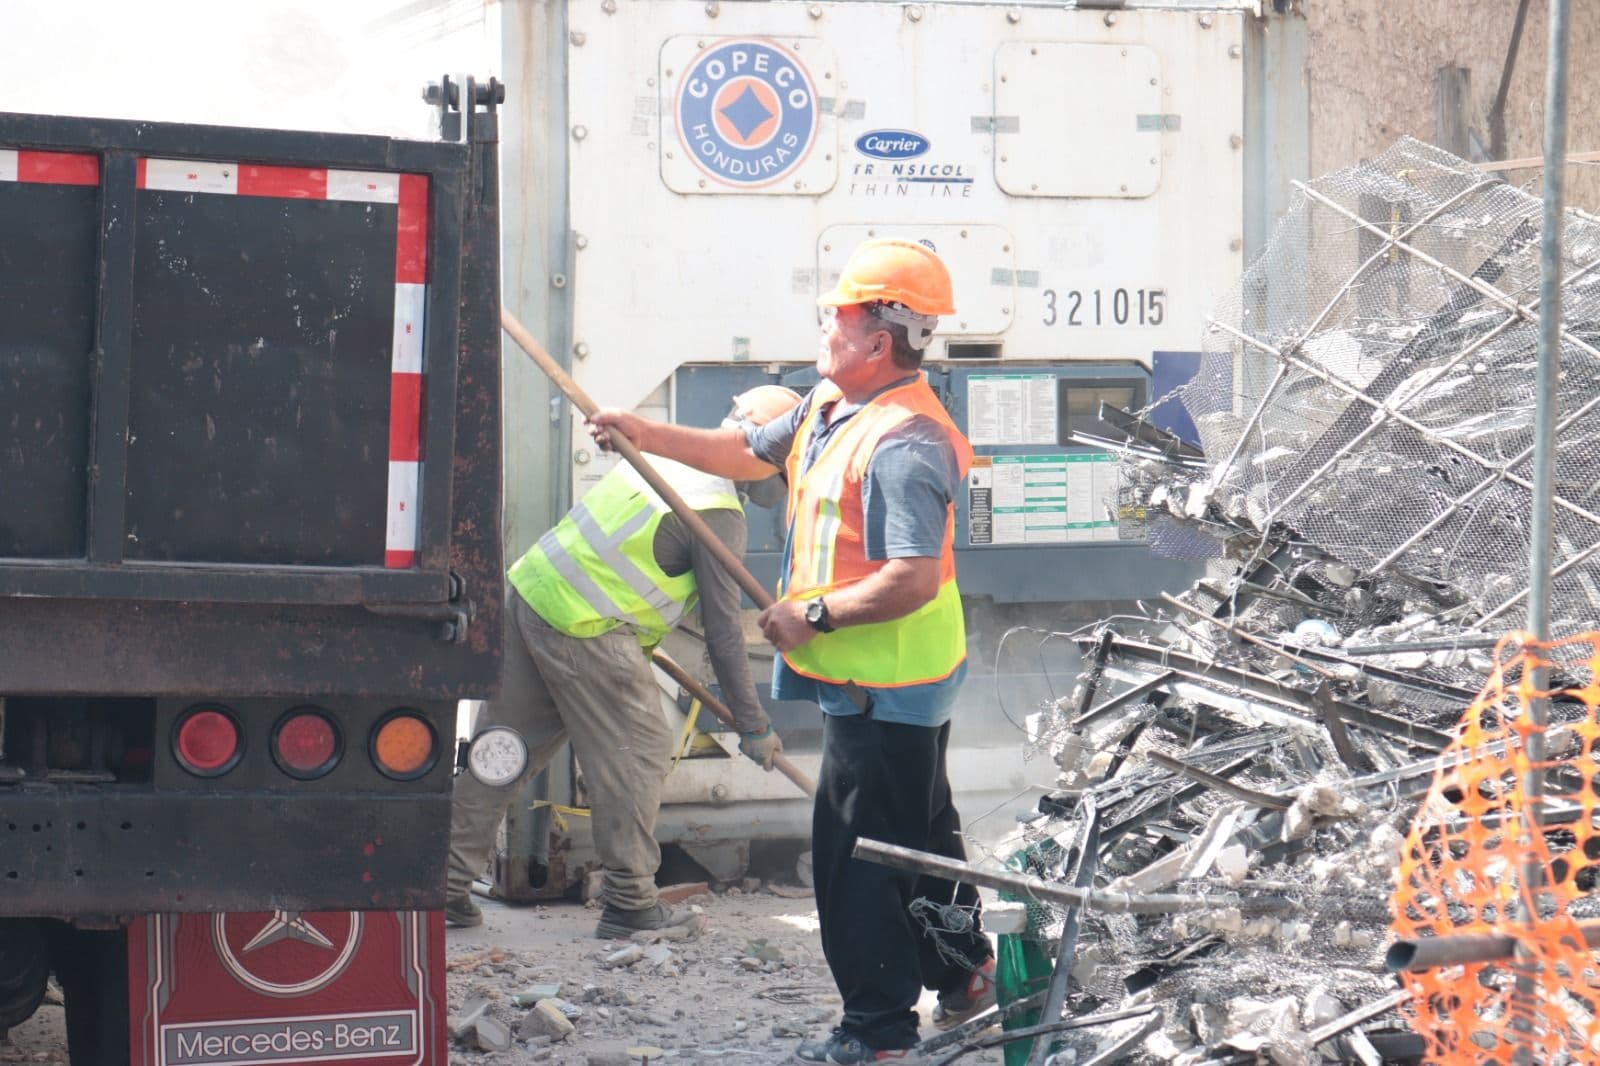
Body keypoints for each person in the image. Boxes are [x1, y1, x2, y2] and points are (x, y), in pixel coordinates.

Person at [589, 238, 995, 1064]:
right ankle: (969, 974)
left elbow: (911, 578)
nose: (822, 326)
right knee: (921, 835)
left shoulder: (905, 441)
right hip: (894, 678)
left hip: (886, 682)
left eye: (835, 316)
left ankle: (877, 1033)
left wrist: (814, 614)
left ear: (878, 339)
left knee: (856, 863)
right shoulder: (829, 404)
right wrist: (642, 432)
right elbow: (742, 452)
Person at [446, 385, 803, 939]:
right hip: (585, 627)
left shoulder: (663, 460)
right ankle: (632, 902)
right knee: (640, 750)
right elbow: (724, 638)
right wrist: (754, 725)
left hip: (533, 595)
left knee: (503, 751)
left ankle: (440, 886)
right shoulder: (716, 514)